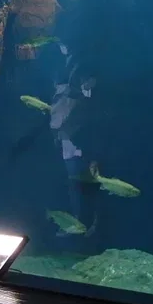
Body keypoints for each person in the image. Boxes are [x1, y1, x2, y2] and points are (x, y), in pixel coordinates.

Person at [47, 41, 101, 246]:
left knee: (85, 184)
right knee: (73, 183)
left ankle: (87, 227)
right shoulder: (64, 69)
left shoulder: (81, 70)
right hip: (67, 139)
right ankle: (78, 226)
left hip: (80, 139)